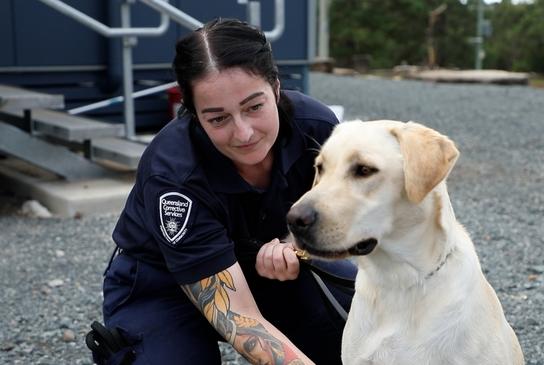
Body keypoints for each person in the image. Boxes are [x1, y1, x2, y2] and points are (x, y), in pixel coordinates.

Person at [96, 18, 356, 365]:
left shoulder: (318, 129)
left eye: (254, 106)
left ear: (276, 88)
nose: (244, 133)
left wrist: (296, 245)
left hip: (274, 269)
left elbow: (347, 222)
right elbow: (236, 315)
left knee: (357, 323)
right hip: (165, 284)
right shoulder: (173, 176)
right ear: (193, 114)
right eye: (218, 118)